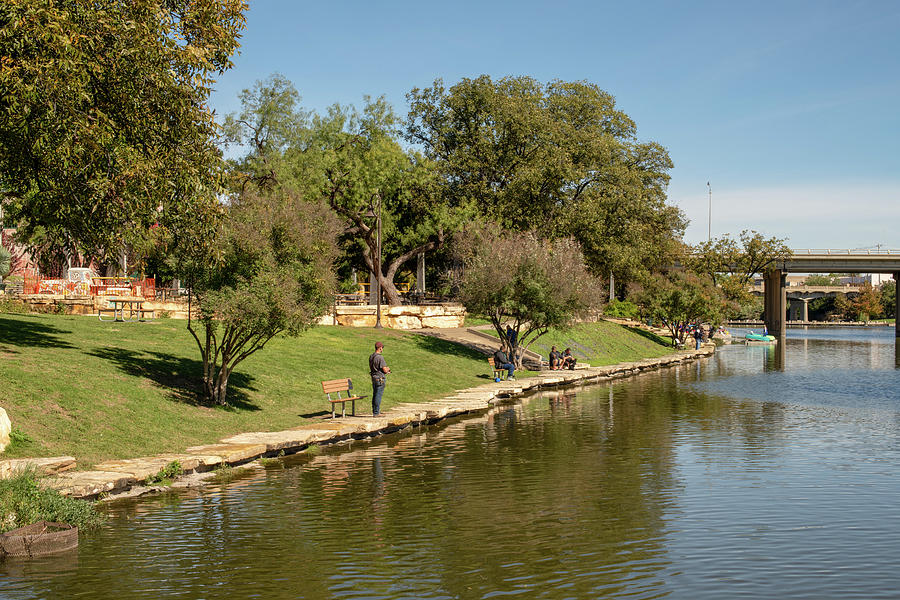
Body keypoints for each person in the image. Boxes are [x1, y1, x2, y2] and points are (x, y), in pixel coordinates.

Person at [369, 341, 391, 416]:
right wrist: (388, 369)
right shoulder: (380, 357)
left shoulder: (371, 356)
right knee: (378, 395)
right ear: (380, 348)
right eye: (382, 348)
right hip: (380, 379)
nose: (382, 349)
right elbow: (384, 369)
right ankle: (376, 413)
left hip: (374, 378)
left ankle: (375, 411)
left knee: (375, 395)